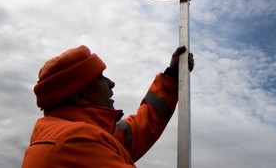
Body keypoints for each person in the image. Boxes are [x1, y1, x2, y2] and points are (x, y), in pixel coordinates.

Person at [21, 44, 194, 168]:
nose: (111, 83)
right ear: (81, 96)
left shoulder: (89, 135)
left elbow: (139, 128)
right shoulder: (74, 142)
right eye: (100, 78)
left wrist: (171, 76)